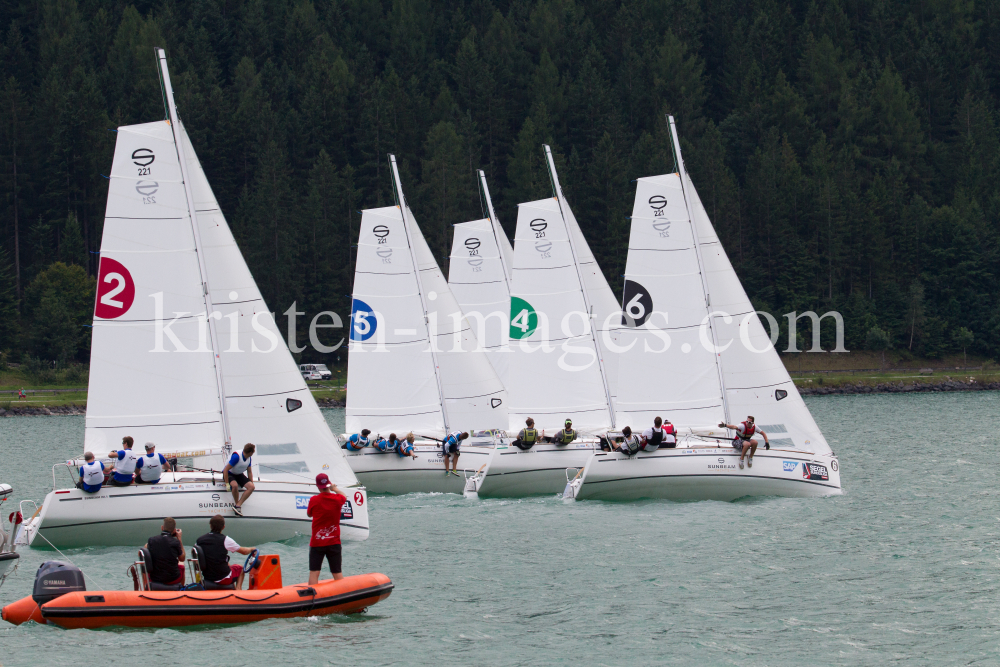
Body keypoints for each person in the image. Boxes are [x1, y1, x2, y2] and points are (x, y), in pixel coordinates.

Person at [195, 515, 256, 589]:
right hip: (222, 578)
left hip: (208, 576)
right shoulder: (225, 540)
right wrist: (252, 549)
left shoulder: (199, 540)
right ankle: (238, 591)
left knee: (228, 565)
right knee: (240, 568)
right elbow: (244, 551)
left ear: (210, 526)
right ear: (223, 527)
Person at [307, 473, 347, 585]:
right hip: (334, 541)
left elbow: (309, 514)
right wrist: (335, 489)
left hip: (317, 543)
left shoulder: (314, 500)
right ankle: (342, 595)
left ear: (318, 486)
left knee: (314, 572)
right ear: (329, 485)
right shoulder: (337, 499)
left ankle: (312, 598)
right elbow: (344, 496)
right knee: (337, 572)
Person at [145, 517, 185, 587]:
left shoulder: (152, 540)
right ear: (174, 530)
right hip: (173, 579)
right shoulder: (175, 542)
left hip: (155, 578)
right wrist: (179, 539)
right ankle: (180, 590)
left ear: (162, 527)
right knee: (182, 563)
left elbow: (142, 552)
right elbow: (182, 558)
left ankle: (146, 588)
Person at [223, 443, 256, 517]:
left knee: (251, 487)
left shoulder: (249, 458)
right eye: (253, 452)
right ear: (251, 452)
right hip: (229, 473)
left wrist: (251, 482)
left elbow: (249, 472)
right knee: (234, 485)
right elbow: (225, 470)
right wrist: (227, 484)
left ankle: (238, 505)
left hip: (239, 474)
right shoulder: (236, 457)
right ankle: (237, 506)